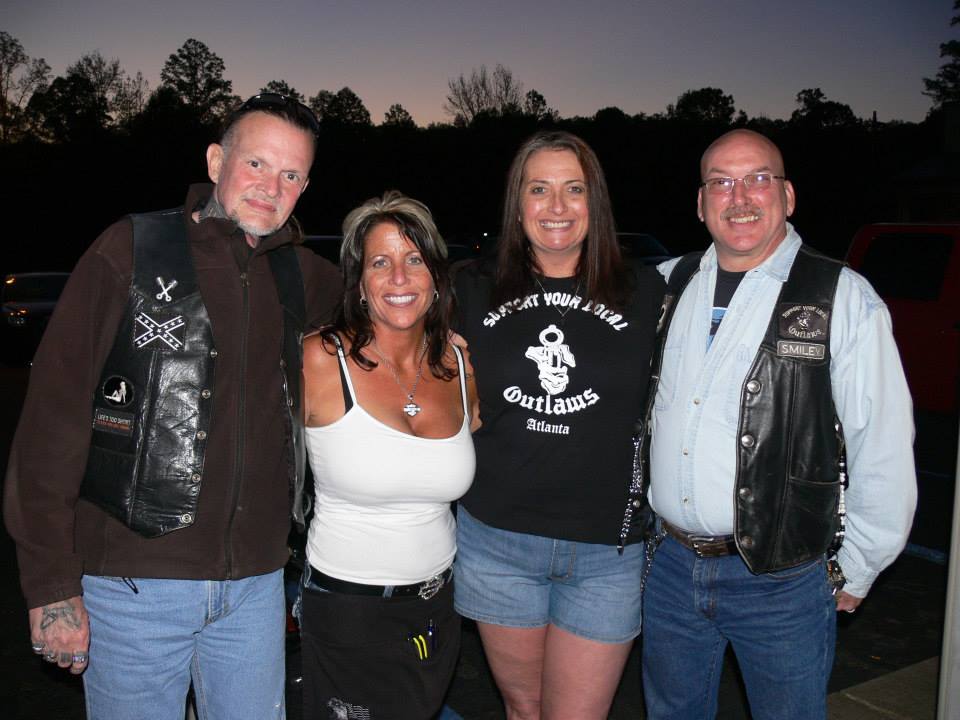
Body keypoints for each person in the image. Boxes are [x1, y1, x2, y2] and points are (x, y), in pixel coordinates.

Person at [3, 93, 342, 719]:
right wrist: (52, 585)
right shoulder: (131, 248)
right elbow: (52, 423)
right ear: (216, 161)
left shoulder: (301, 275)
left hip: (255, 588)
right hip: (134, 584)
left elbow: (394, 300)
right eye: (257, 163)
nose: (271, 187)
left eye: (291, 174)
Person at [639, 129, 917, 719]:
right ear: (700, 203)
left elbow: (882, 443)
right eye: (721, 182)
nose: (740, 197)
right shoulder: (666, 285)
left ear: (787, 196)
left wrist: (859, 565)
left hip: (783, 582)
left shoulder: (841, 296)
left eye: (758, 179)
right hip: (669, 568)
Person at [453, 131, 665, 719]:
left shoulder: (647, 290)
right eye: (538, 189)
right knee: (523, 709)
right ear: (517, 202)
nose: (556, 206)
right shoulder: (468, 286)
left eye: (574, 189)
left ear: (595, 201)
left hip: (606, 550)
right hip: (497, 540)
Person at [298, 191, 479, 719]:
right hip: (348, 611)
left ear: (436, 276)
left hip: (437, 608)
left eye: (414, 259)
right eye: (380, 262)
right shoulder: (320, 359)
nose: (399, 277)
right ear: (359, 282)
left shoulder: (459, 364)